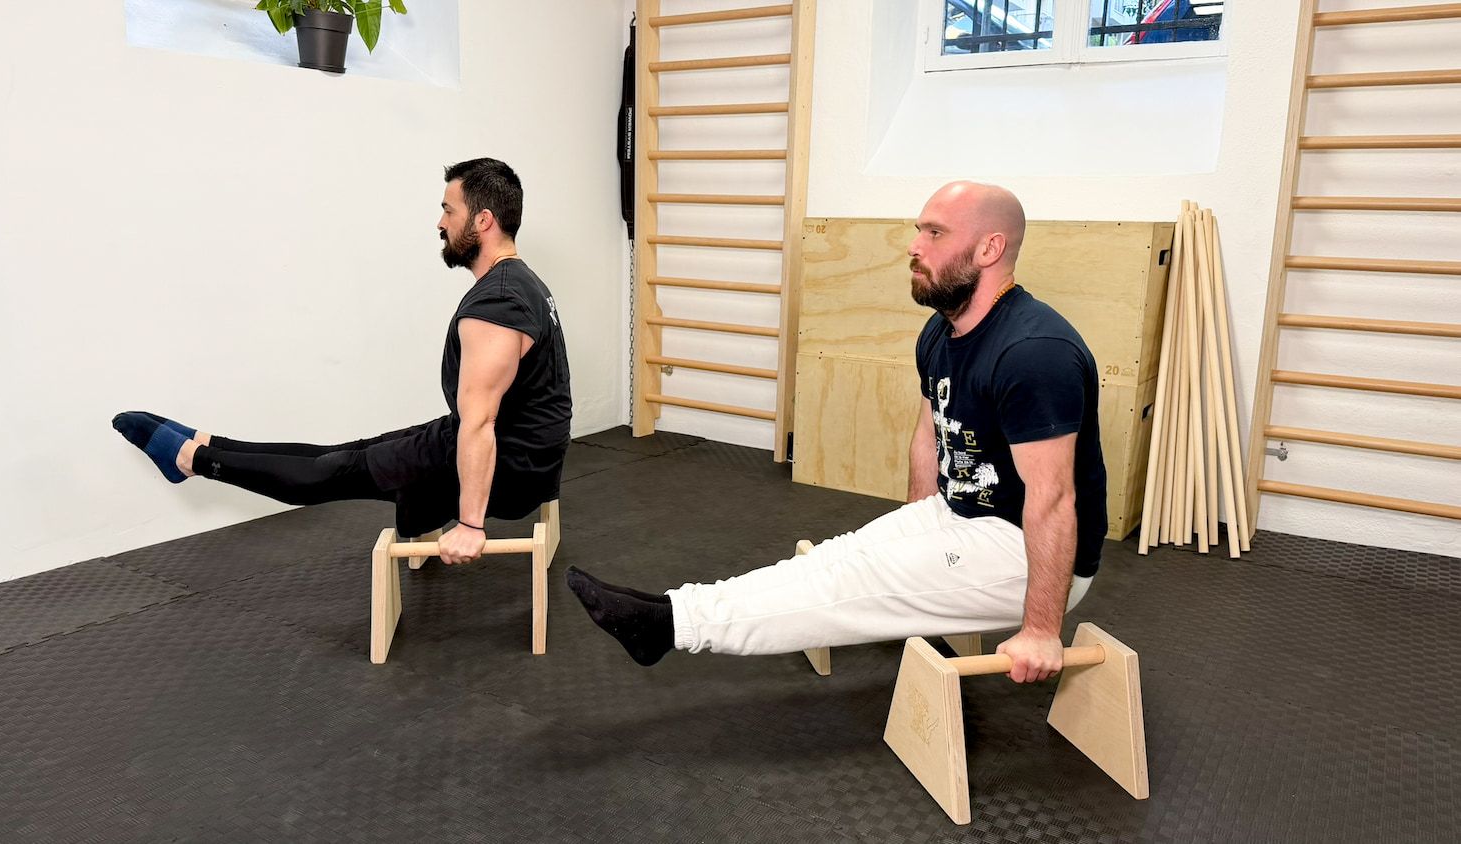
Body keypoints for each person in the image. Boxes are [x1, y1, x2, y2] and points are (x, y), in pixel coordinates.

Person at [567, 181, 1107, 683]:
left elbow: (1054, 498)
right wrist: (919, 534)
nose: (914, 246)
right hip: (965, 518)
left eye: (935, 233)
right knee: (835, 558)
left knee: (852, 580)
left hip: (1027, 553)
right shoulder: (941, 332)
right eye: (919, 230)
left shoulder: (1034, 353)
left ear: (990, 248)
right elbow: (929, 437)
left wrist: (1042, 628)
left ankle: (672, 627)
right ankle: (672, 608)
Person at [112, 158, 571, 566]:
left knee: (330, 473)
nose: (440, 222)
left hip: (509, 469)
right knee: (344, 453)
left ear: (483, 220)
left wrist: (471, 524)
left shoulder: (498, 303)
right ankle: (208, 443)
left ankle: (192, 460)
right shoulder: (518, 283)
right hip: (513, 451)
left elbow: (480, 421)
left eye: (449, 211)